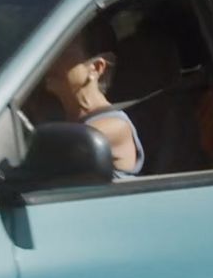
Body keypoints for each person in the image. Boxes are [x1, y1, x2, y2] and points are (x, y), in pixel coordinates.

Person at [43, 19, 145, 177]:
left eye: (62, 53)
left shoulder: (115, 126)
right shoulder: (64, 119)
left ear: (96, 68)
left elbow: (55, 153)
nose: (50, 60)